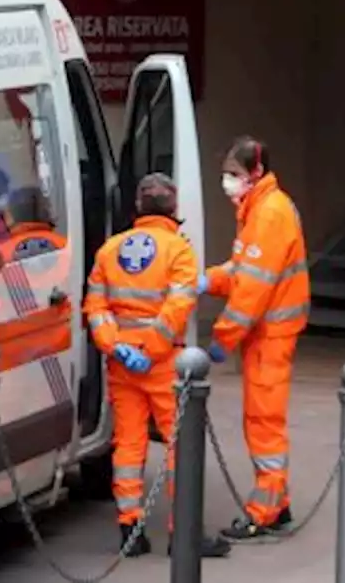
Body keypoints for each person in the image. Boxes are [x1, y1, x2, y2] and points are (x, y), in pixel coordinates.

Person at [83, 173, 232, 559]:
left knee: (128, 446)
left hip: (122, 365)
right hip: (164, 365)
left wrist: (116, 346)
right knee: (180, 446)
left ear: (136, 208)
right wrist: (151, 348)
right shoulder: (178, 251)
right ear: (174, 209)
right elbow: (178, 307)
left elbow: (95, 308)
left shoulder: (109, 250)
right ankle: (183, 534)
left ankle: (130, 529)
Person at [198, 136, 309, 541]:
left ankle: (264, 511)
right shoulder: (259, 208)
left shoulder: (267, 213)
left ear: (256, 173)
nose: (228, 182)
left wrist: (222, 339)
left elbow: (252, 289)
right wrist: (207, 280)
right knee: (263, 419)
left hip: (271, 333)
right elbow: (243, 270)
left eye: (235, 175)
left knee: (263, 421)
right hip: (270, 331)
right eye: (226, 174)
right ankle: (276, 504)